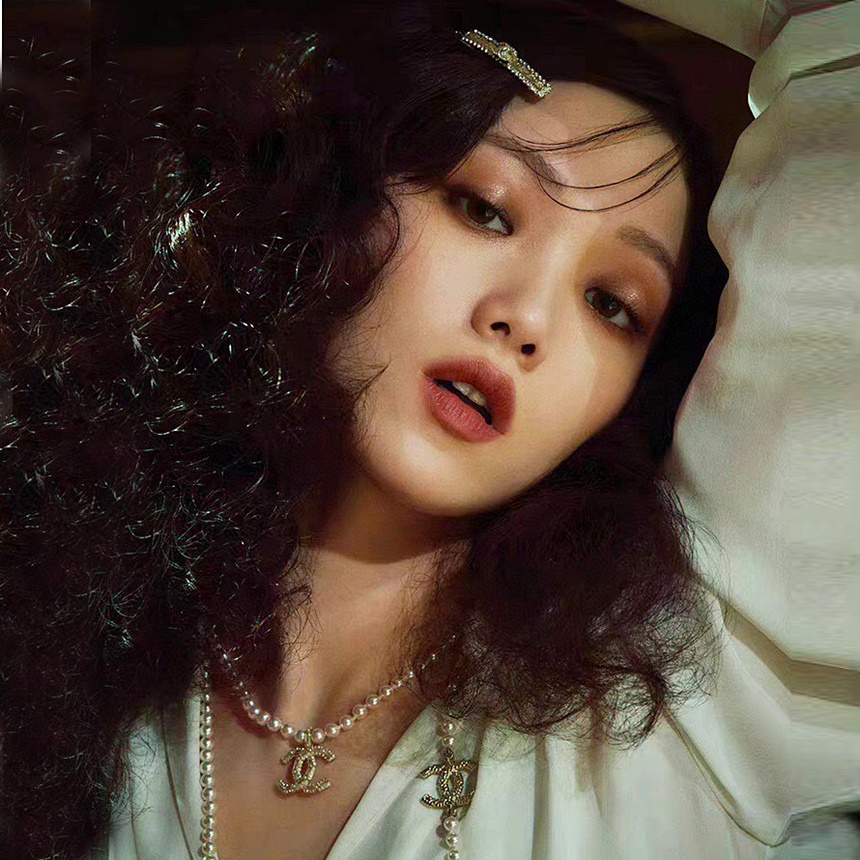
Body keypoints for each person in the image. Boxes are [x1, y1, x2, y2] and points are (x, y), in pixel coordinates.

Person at [0, 1, 815, 858]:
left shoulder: (661, 731)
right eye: (485, 209)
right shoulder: (69, 623)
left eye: (612, 303)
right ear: (338, 199)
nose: (527, 319)